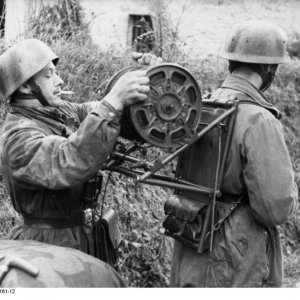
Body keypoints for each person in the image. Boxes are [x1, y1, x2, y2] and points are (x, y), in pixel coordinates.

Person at [0, 38, 159, 259]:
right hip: (46, 248)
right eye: (49, 75)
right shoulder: (18, 138)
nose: (60, 80)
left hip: (81, 237)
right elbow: (68, 160)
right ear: (26, 86)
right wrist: (113, 101)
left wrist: (145, 77)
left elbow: (102, 112)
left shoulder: (58, 111)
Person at [168, 20, 298, 287]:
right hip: (236, 251)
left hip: (192, 235)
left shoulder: (203, 105)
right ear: (269, 68)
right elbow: (275, 208)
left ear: (231, 64)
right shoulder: (259, 119)